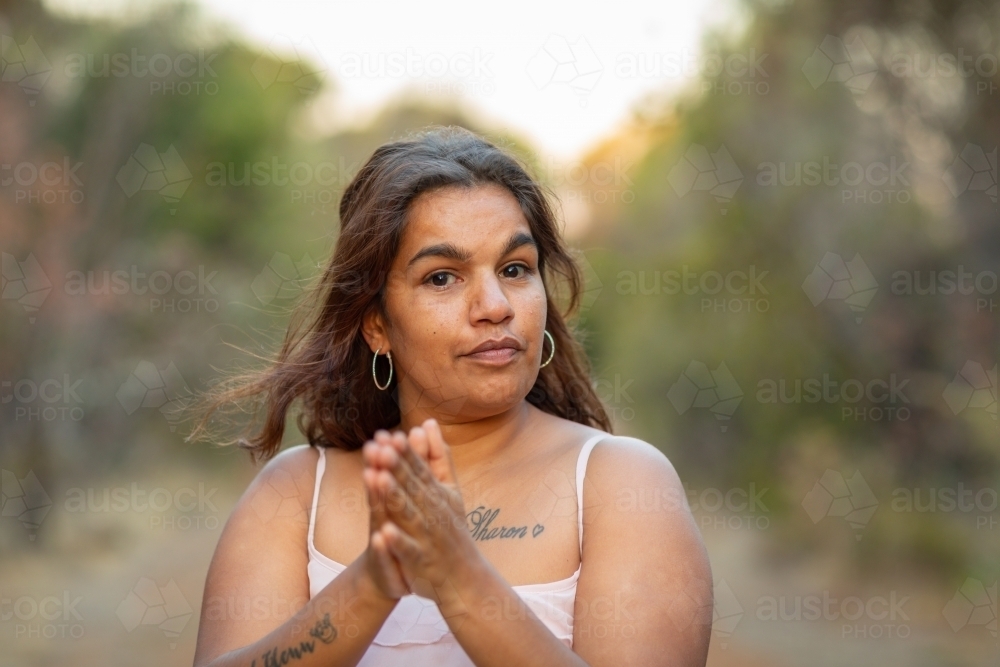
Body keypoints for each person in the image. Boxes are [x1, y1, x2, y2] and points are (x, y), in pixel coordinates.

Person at [188, 126, 713, 667]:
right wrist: (372, 584)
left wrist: (462, 580)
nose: (495, 305)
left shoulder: (620, 483)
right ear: (376, 326)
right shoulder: (296, 495)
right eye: (442, 278)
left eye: (515, 269)